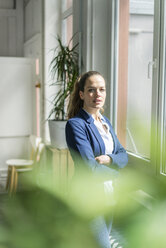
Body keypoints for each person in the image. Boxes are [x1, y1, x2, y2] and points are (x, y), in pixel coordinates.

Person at [65, 71, 128, 248]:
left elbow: (124, 155)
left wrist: (109, 159)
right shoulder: (75, 124)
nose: (97, 94)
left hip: (109, 195)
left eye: (102, 89)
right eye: (91, 90)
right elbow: (90, 167)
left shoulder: (105, 121)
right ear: (82, 94)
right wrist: (120, 176)